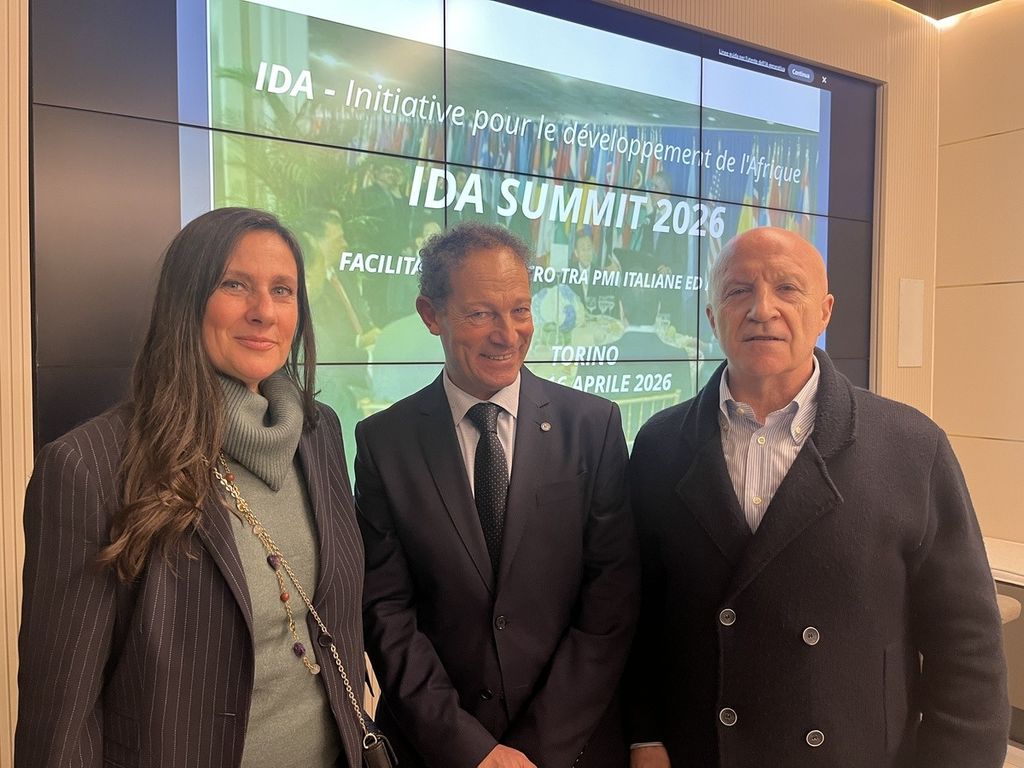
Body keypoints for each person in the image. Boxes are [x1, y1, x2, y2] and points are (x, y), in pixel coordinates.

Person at [626, 226, 1009, 767]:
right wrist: (643, 734)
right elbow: (638, 613)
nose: (762, 309)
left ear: (824, 311)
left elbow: (966, 642)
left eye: (787, 288)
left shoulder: (911, 447)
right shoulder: (660, 444)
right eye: (738, 290)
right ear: (712, 317)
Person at [17, 208, 368, 768]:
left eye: (282, 290)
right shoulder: (89, 466)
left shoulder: (318, 431)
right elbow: (61, 719)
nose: (264, 311)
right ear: (186, 301)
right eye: (235, 285)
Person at [355, 222, 640, 768]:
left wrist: (533, 750)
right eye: (480, 313)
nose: (507, 335)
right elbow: (386, 611)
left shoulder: (593, 425)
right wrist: (472, 751)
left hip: (570, 748)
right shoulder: (384, 442)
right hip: (438, 751)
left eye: (520, 310)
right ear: (431, 314)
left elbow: (612, 599)